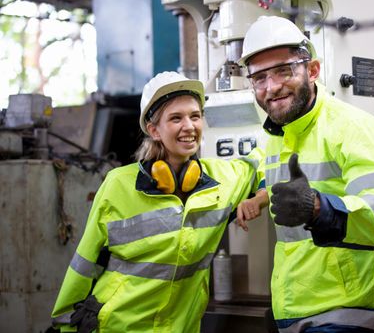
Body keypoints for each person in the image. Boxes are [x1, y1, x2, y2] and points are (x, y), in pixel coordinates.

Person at [51, 71, 264, 332]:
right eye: (176, 118)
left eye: (195, 116)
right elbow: (84, 263)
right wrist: (65, 325)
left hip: (181, 326)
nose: (189, 126)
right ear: (154, 129)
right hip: (120, 325)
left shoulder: (223, 180)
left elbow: (267, 158)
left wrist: (261, 197)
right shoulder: (118, 184)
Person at [236, 16, 374, 333]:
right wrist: (260, 197)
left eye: (284, 71)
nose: (272, 87)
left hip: (347, 314)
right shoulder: (275, 137)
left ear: (312, 70)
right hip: (294, 309)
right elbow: (261, 172)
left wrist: (320, 209)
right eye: (259, 78)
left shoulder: (353, 128)